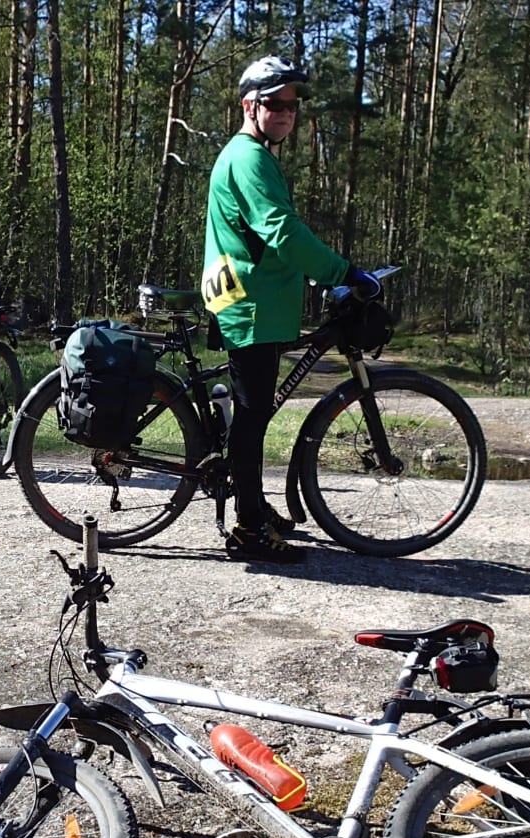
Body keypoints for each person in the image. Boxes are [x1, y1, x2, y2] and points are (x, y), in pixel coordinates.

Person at [202, 57, 379, 562]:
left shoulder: (254, 154)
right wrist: (343, 272)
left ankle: (251, 503)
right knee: (254, 418)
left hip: (252, 300)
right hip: (250, 306)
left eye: (292, 106)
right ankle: (248, 531)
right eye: (274, 103)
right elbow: (281, 231)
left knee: (252, 412)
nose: (285, 113)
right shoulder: (250, 158)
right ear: (248, 106)